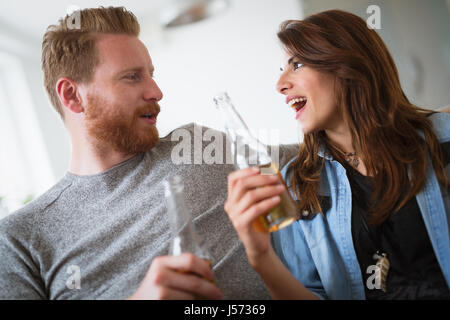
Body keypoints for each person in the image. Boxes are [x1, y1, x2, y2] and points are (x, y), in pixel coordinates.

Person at [0, 7, 297, 300]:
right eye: (132, 77)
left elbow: (320, 151)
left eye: (151, 75)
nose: (156, 91)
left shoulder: (195, 145)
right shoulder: (19, 238)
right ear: (73, 96)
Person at [225, 10, 450, 300]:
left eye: (297, 64)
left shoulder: (443, 139)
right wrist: (260, 258)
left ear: (347, 65)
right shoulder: (296, 185)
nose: (280, 84)